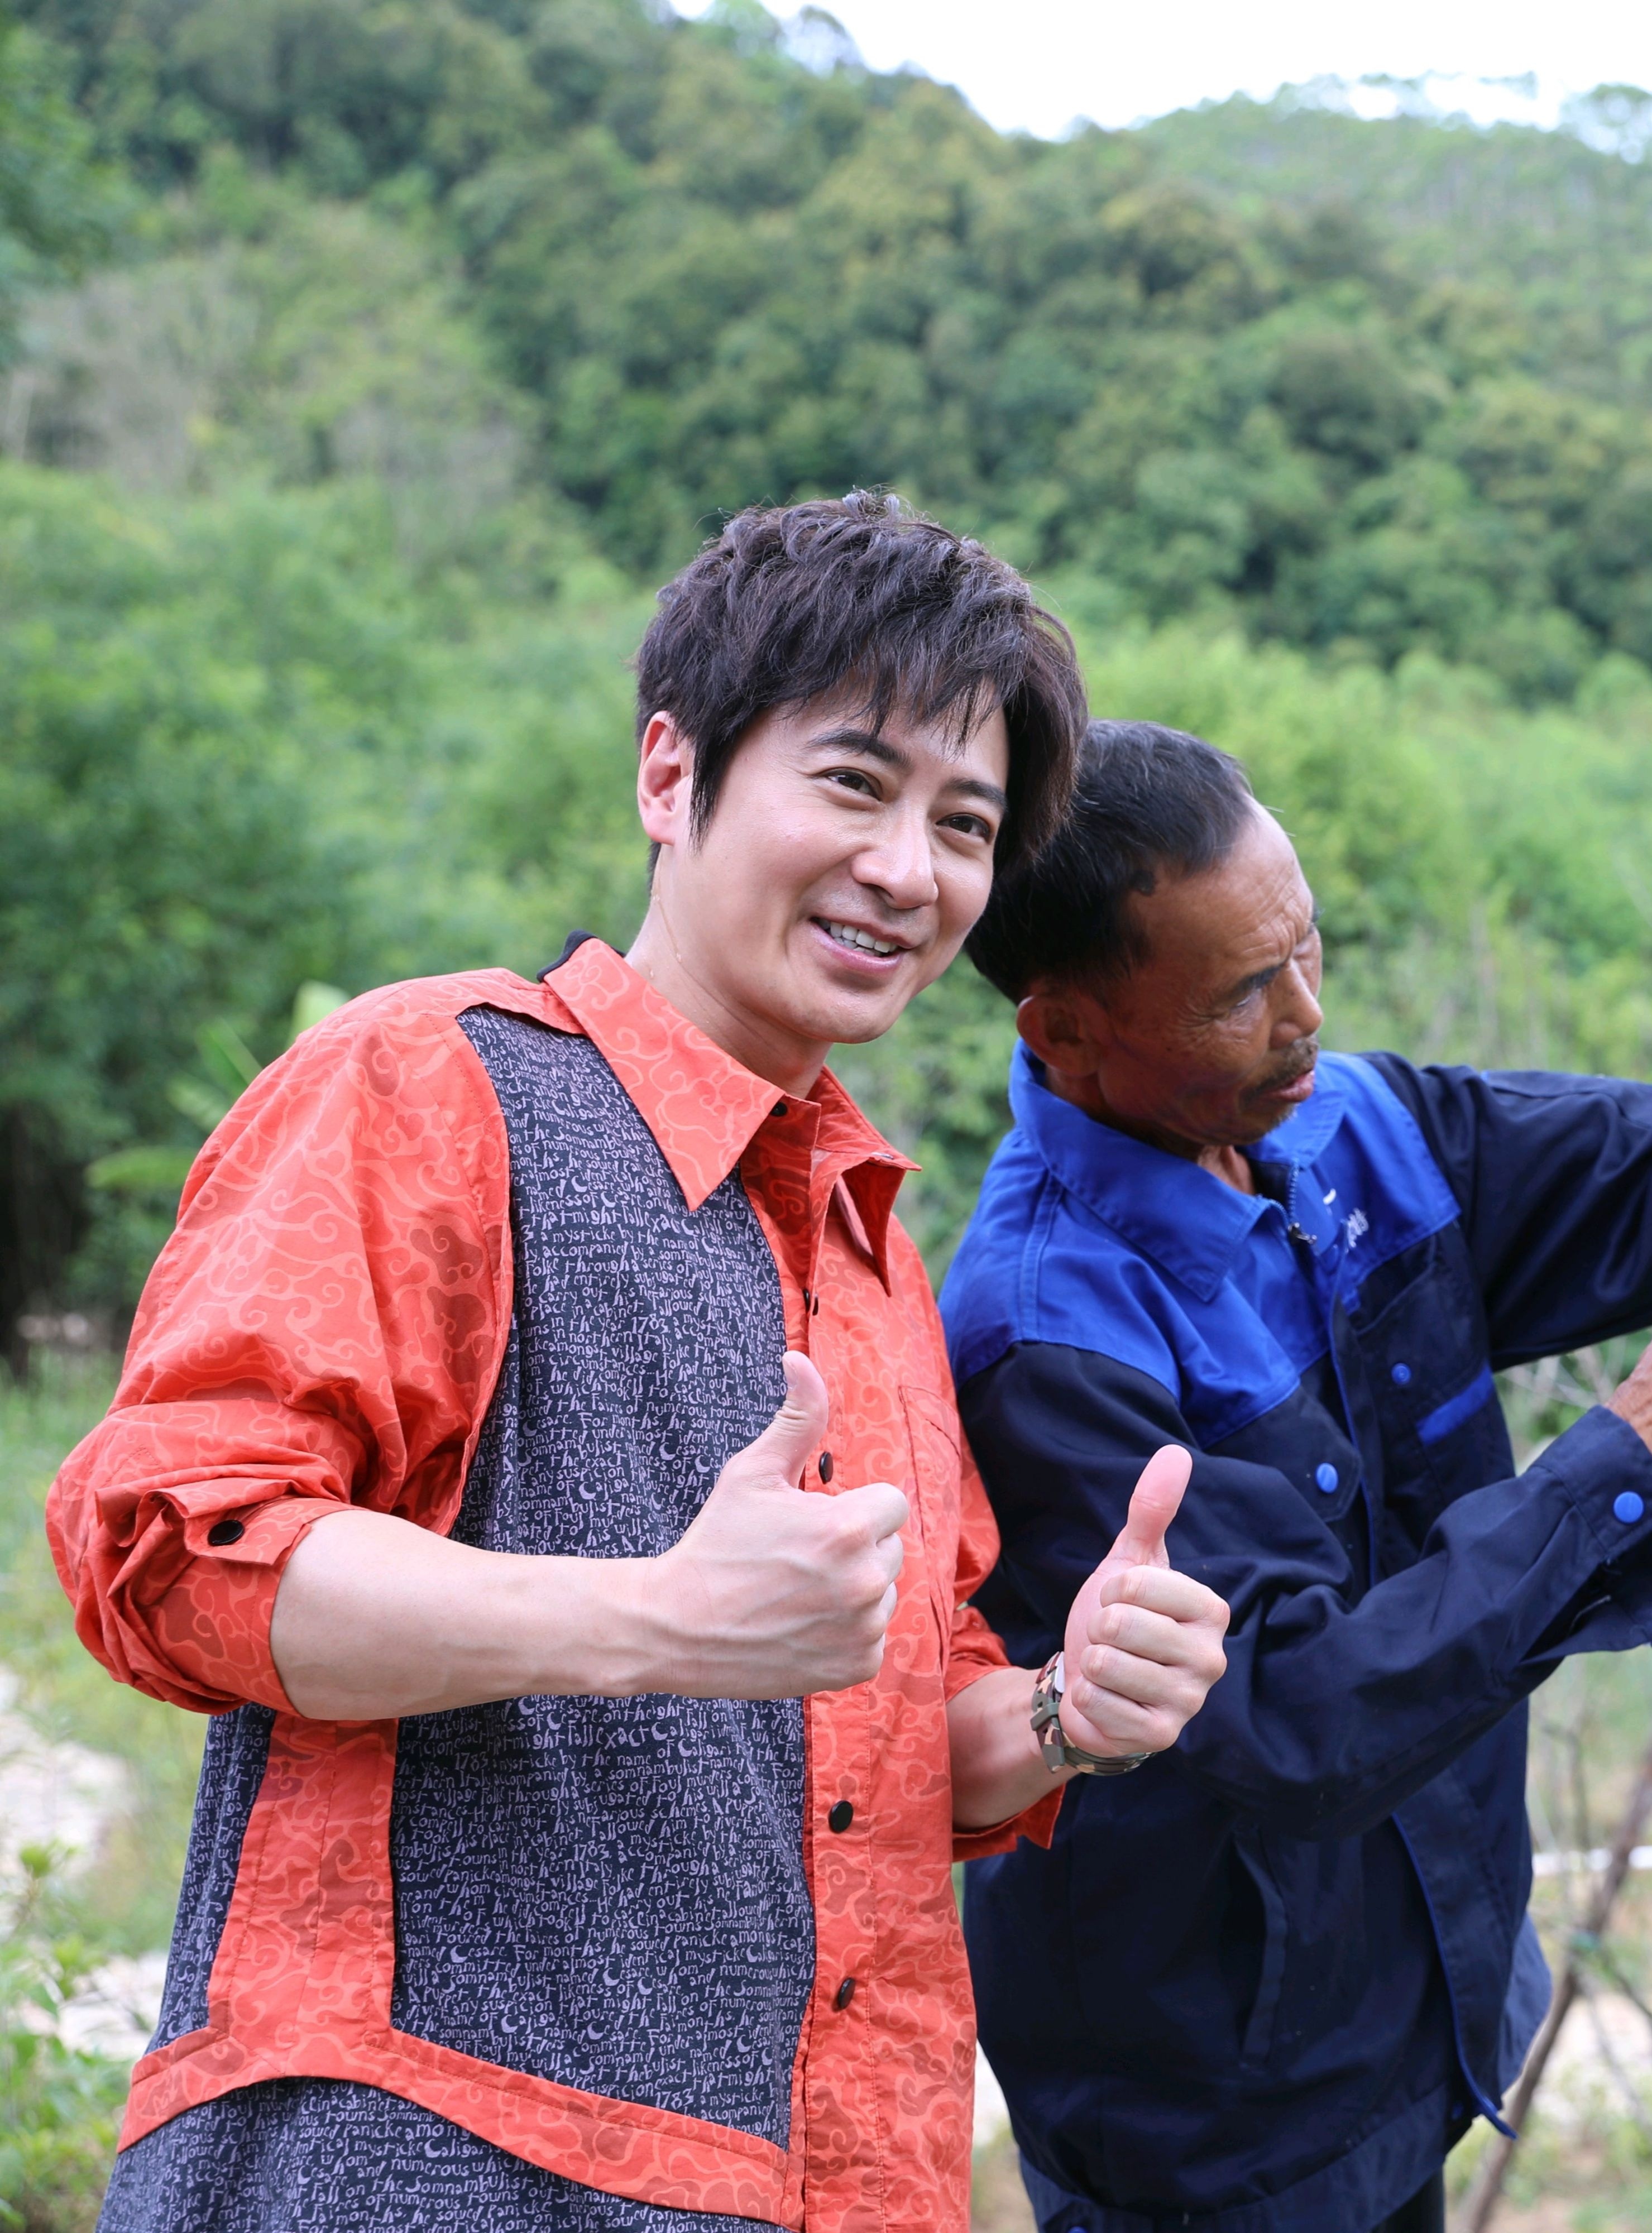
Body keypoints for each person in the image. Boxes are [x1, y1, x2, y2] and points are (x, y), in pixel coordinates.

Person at [50, 494, 1235, 2233]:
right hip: (428, 2157)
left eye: (962, 823)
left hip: (823, 2188)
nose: (911, 869)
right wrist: (656, 1618)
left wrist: (1069, 1712)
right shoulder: (437, 1084)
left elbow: (902, 1742)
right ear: (671, 777)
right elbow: (174, 1550)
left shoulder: (877, 1254)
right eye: (854, 783)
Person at [941, 720, 1652, 2233]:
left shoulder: (1351, 1126)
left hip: (1403, 1995)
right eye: (1241, 994)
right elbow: (1295, 1721)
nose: (1305, 1016)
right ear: (1065, 1035)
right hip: (1209, 2099)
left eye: (1309, 953)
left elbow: (1647, 1168)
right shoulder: (1052, 1334)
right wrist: (1626, 1450)